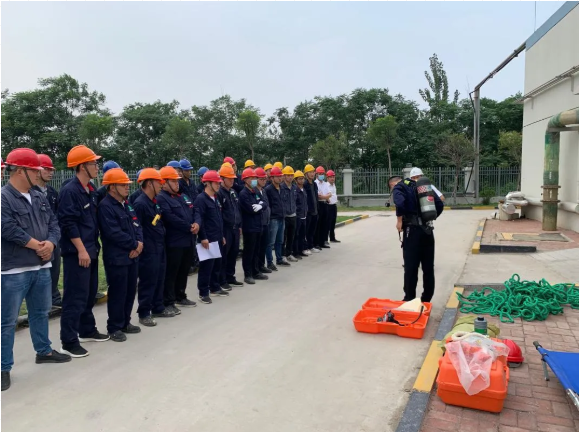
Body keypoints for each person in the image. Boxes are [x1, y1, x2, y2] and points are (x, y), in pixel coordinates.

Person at [1, 148, 71, 392]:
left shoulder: (39, 196)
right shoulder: (4, 198)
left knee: (40, 312)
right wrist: (37, 246)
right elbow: (7, 228)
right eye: (34, 170)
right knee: (6, 321)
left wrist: (50, 243)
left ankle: (44, 351)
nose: (39, 173)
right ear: (20, 171)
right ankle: (3, 367)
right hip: (14, 269)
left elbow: (53, 223)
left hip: (41, 266)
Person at [59, 145, 110, 359]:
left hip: (91, 249)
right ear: (82, 166)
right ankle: (69, 341)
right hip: (77, 252)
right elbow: (68, 223)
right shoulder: (70, 191)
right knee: (75, 296)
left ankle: (87, 330)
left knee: (89, 293)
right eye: (93, 163)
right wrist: (81, 250)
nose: (97, 167)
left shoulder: (89, 189)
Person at [98, 168, 143, 342]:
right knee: (118, 292)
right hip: (117, 257)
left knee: (130, 290)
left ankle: (125, 322)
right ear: (112, 187)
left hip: (133, 255)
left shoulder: (127, 204)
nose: (127, 187)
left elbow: (137, 225)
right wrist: (134, 244)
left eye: (127, 184)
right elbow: (113, 232)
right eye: (123, 185)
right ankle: (114, 326)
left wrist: (139, 243)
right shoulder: (106, 206)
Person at [133, 169, 176, 327]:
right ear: (149, 183)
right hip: (148, 248)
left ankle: (158, 307)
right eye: (159, 182)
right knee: (148, 280)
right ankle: (144, 312)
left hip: (159, 245)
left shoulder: (154, 201)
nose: (161, 185)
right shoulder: (140, 204)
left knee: (159, 278)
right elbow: (136, 227)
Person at [392, 175, 444, 303]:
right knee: (428, 268)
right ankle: (426, 300)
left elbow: (400, 203)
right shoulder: (423, 187)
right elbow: (439, 204)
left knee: (411, 268)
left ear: (393, 184)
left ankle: (409, 299)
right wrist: (428, 218)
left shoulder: (399, 187)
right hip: (428, 231)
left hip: (412, 232)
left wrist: (399, 221)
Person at [156, 166, 198, 315]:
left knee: (183, 270)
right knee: (172, 273)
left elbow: (194, 210)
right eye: (173, 181)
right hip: (174, 242)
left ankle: (181, 295)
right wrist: (188, 226)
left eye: (177, 181)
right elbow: (170, 217)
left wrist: (196, 223)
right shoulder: (161, 198)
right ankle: (169, 301)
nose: (177, 184)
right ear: (164, 183)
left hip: (188, 240)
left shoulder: (182, 196)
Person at [194, 170, 229, 303]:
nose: (218, 185)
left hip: (217, 237)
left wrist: (221, 235)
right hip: (207, 239)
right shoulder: (201, 199)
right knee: (206, 267)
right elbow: (200, 219)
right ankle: (203, 292)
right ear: (207, 183)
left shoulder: (215, 198)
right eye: (216, 183)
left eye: (219, 183)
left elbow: (218, 218)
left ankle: (215, 287)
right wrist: (203, 237)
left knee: (216, 265)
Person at [33, 154, 63, 307]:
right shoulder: (30, 191)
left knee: (55, 268)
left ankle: (54, 297)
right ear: (37, 170)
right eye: (46, 169)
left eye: (51, 170)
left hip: (53, 238)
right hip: (36, 239)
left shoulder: (52, 192)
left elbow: (56, 216)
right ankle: (41, 302)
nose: (50, 172)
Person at [216, 164, 243, 290]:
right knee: (224, 255)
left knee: (233, 253)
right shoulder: (219, 193)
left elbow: (237, 209)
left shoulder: (233, 192)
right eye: (229, 178)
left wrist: (239, 225)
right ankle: (222, 280)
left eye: (233, 178)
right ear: (222, 179)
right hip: (226, 228)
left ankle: (230, 276)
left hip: (235, 227)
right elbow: (219, 214)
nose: (232, 180)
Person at [239, 168, 268, 285]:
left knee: (256, 250)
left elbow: (264, 203)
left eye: (255, 178)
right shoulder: (243, 194)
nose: (255, 180)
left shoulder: (255, 191)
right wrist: (259, 206)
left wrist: (260, 206)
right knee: (249, 251)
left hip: (258, 225)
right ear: (246, 180)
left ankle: (256, 271)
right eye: (252, 178)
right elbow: (251, 209)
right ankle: (248, 274)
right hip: (249, 227)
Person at [178, 158, 199, 276]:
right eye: (187, 170)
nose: (189, 172)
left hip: (193, 212)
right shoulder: (179, 183)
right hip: (185, 214)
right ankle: (189, 264)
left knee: (193, 241)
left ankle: (193, 262)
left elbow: (195, 196)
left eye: (190, 170)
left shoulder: (191, 183)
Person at [265, 167, 288, 270]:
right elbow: (268, 205)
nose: (280, 178)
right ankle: (270, 262)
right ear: (272, 178)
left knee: (280, 240)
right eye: (277, 176)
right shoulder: (268, 190)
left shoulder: (282, 188)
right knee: (270, 242)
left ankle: (279, 259)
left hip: (282, 217)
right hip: (273, 218)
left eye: (280, 176)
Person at [254, 167, 272, 274]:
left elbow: (265, 204)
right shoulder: (254, 191)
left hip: (266, 222)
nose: (264, 181)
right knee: (258, 246)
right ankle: (256, 267)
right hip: (258, 223)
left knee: (264, 245)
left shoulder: (263, 191)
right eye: (261, 179)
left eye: (265, 179)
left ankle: (261, 265)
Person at [280, 166, 299, 262]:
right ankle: (282, 255)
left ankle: (289, 253)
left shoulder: (295, 187)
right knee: (283, 237)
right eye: (288, 175)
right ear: (284, 176)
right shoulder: (281, 188)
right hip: (285, 216)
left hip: (293, 215)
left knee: (291, 236)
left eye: (292, 175)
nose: (290, 177)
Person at [293, 170, 309, 257]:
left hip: (304, 215)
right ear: (296, 180)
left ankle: (301, 249)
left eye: (303, 178)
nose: (302, 180)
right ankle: (295, 252)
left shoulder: (304, 190)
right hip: (298, 216)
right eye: (299, 179)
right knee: (296, 234)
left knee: (303, 234)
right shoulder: (295, 190)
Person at [303, 164, 319, 253]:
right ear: (306, 174)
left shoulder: (314, 184)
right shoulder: (305, 184)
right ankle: (305, 247)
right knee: (306, 230)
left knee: (312, 230)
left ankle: (311, 245)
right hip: (308, 211)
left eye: (313, 172)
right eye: (310, 172)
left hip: (315, 210)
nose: (312, 174)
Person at [315, 166, 332, 249]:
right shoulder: (315, 183)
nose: (321, 175)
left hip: (325, 204)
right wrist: (326, 197)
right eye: (320, 173)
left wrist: (324, 196)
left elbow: (330, 194)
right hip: (319, 204)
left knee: (325, 224)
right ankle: (317, 242)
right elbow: (319, 196)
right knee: (318, 224)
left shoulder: (325, 184)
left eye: (322, 173)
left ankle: (323, 241)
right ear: (316, 174)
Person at [326, 170, 340, 243]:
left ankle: (332, 237)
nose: (332, 178)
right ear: (327, 178)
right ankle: (325, 239)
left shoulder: (334, 185)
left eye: (333, 177)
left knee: (333, 222)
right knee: (328, 223)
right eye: (330, 177)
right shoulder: (326, 186)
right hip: (328, 206)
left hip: (334, 205)